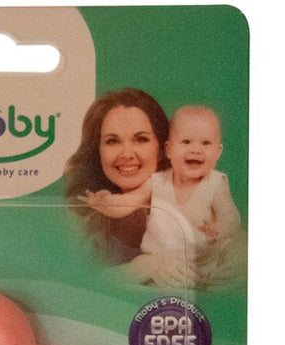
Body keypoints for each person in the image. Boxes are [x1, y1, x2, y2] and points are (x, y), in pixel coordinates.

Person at [75, 102, 246, 289]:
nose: (196, 150)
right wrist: (106, 203)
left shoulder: (215, 184)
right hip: (157, 267)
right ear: (169, 150)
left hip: (204, 268)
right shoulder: (157, 182)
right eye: (186, 142)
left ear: (218, 152)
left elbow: (230, 215)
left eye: (206, 143)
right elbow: (128, 201)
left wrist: (220, 229)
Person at [65, 88, 200, 287]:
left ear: (163, 149)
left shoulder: (190, 197)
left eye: (141, 139)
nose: (127, 154)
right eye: (112, 141)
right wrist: (146, 266)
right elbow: (75, 282)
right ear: (97, 151)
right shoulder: (81, 216)